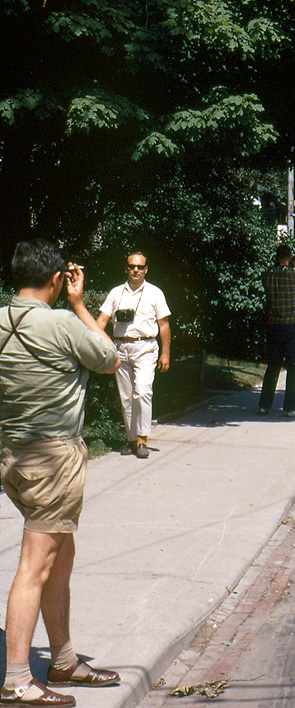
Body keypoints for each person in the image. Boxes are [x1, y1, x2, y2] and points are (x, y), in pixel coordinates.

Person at [0, 240, 121, 706]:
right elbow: (110, 359)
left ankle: (64, 659)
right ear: (56, 280)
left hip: (13, 456)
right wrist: (79, 303)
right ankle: (16, 680)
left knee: (60, 553)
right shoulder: (62, 323)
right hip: (53, 460)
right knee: (36, 565)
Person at [96, 252, 171, 459]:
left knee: (143, 392)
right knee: (126, 398)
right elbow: (101, 321)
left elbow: (164, 325)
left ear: (146, 269)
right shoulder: (116, 294)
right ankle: (130, 440)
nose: (135, 270)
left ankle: (142, 440)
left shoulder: (155, 293)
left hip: (146, 348)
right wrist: (98, 342)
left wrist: (165, 353)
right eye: (131, 266)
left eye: (139, 267)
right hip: (121, 348)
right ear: (126, 268)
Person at [258, 244, 295, 417]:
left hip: (274, 324)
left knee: (273, 366)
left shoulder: (268, 274)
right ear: (290, 258)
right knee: (293, 367)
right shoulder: (293, 274)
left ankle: (264, 405)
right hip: (292, 325)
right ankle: (291, 407)